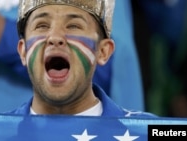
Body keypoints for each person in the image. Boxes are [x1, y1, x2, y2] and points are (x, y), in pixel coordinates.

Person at [10, 0, 156, 117]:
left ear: (103, 51)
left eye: (73, 26)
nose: (55, 37)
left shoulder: (147, 133)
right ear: (23, 51)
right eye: (42, 25)